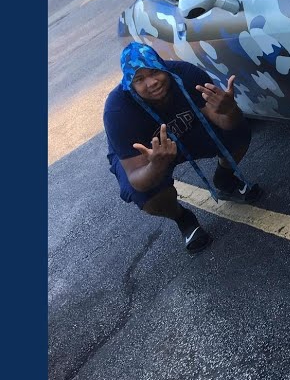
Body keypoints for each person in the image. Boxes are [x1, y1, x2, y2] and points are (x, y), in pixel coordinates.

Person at [103, 42, 261, 253]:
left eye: (154, 71)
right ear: (130, 84)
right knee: (147, 195)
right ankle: (182, 218)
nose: (151, 82)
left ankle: (224, 179)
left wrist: (230, 110)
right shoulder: (117, 111)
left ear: (162, 65)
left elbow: (226, 123)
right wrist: (156, 165)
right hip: (148, 157)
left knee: (239, 130)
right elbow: (136, 178)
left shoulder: (186, 74)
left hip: (188, 130)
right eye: (139, 79)